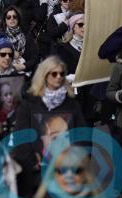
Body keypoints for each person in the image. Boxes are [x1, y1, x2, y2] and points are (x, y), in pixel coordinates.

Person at [14, 56, 84, 190]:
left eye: (62, 73)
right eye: (54, 73)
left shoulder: (72, 104)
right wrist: (31, 161)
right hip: (35, 172)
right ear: (44, 75)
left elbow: (81, 134)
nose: (58, 77)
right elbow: (21, 135)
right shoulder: (29, 103)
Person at [34, 145, 113, 198]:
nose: (69, 175)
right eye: (62, 170)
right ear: (54, 174)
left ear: (86, 174)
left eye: (76, 170)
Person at [0, 6, 39, 74]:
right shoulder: (0, 36)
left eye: (14, 17)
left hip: (25, 72)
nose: (12, 19)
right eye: (8, 17)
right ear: (5, 20)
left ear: (18, 19)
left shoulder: (27, 36)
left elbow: (35, 57)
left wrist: (24, 66)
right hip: (5, 72)